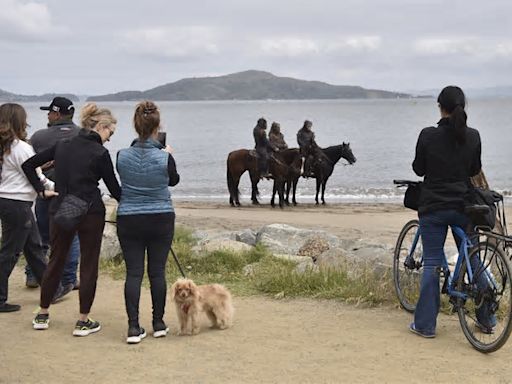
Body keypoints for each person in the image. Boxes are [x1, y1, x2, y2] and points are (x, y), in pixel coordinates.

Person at [23, 102, 121, 336]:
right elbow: (115, 191)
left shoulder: (62, 146)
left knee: (55, 259)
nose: (109, 138)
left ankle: (43, 313)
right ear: (102, 126)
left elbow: (28, 165)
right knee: (88, 265)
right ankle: (83, 320)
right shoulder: (100, 153)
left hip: (61, 208)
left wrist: (41, 190)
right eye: (110, 133)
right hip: (90, 211)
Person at [410, 85, 492, 338]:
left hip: (433, 207)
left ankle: (425, 326)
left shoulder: (427, 134)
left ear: (440, 106)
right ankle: (487, 320)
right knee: (474, 259)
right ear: (462, 107)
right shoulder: (474, 136)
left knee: (432, 263)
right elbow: (473, 169)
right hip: (465, 207)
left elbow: (419, 169)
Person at [116, 101, 179, 344]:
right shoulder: (165, 158)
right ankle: (159, 322)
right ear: (157, 126)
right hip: (160, 216)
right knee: (157, 272)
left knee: (133, 273)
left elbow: (125, 177)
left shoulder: (122, 155)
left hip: (129, 217)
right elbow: (173, 181)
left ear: (135, 125)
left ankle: (133, 327)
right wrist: (168, 156)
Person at [24, 97, 80, 297]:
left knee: (40, 236)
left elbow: (28, 163)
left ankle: (33, 275)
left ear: (56, 114)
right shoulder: (83, 135)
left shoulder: (39, 137)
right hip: (73, 194)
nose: (47, 115)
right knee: (71, 237)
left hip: (46, 192)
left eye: (49, 112)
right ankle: (69, 279)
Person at [0, 103, 53, 312]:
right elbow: (34, 175)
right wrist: (52, 188)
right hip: (18, 204)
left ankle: (51, 287)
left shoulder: (5, 147)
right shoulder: (20, 147)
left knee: (33, 247)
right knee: (10, 252)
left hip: (8, 202)